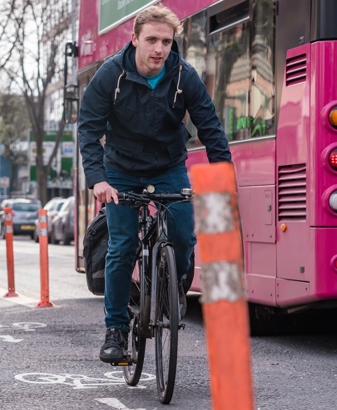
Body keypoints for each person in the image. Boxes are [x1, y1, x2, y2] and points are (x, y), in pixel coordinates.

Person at [78, 4, 232, 364]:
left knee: (182, 232)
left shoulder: (183, 75)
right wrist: (98, 179)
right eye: (151, 40)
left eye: (166, 41)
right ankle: (115, 330)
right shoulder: (110, 75)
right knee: (122, 245)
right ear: (134, 39)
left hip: (168, 165)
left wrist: (223, 175)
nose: (159, 49)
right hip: (120, 170)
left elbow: (210, 127)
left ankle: (170, 288)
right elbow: (89, 129)